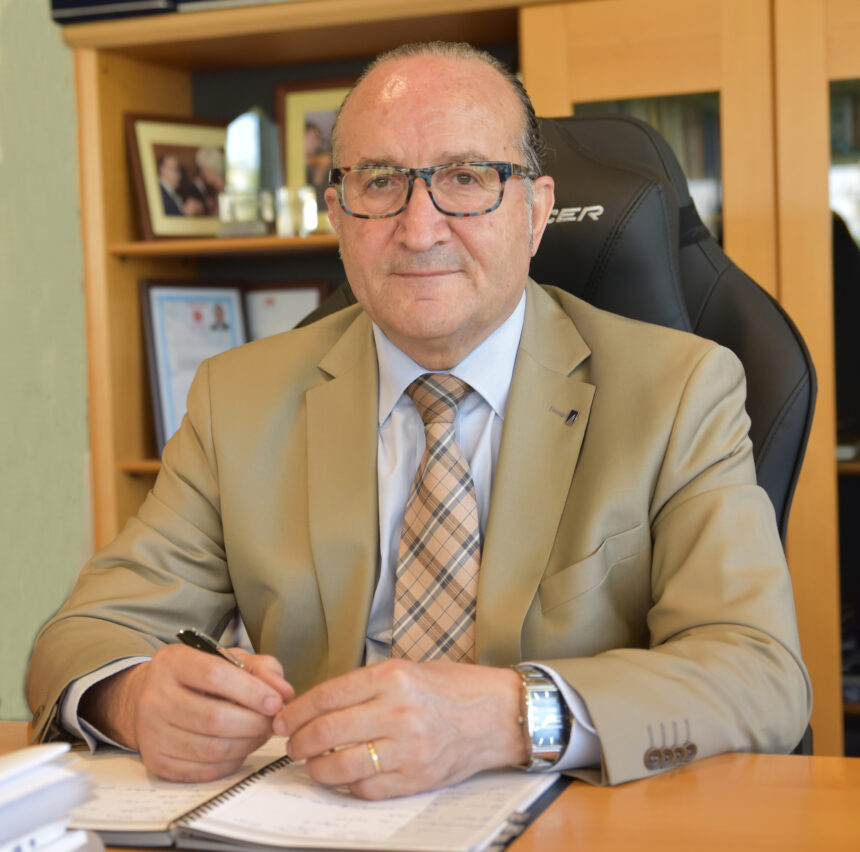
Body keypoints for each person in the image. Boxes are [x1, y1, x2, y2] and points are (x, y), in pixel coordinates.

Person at [27, 42, 811, 799]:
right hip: (317, 813)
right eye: (379, 182)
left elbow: (759, 673)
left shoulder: (679, 391)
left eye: (466, 178)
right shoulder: (237, 399)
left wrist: (508, 718)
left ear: (536, 212)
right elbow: (82, 632)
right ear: (338, 216)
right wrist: (133, 697)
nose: (419, 227)